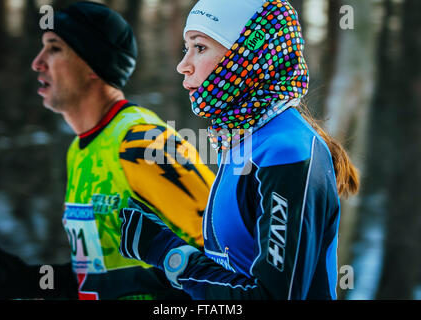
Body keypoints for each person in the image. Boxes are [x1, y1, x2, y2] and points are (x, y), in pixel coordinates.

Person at [118, 0, 360, 299]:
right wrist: (108, 285)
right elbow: (230, 274)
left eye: (200, 47)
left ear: (248, 55)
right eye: (186, 48)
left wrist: (169, 254)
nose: (183, 65)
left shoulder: (286, 151)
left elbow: (270, 297)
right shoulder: (241, 141)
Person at [0, 1, 214, 300]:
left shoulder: (141, 142)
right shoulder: (80, 151)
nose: (37, 62)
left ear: (92, 64)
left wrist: (146, 287)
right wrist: (36, 280)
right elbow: (102, 272)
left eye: (54, 49)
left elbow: (228, 253)